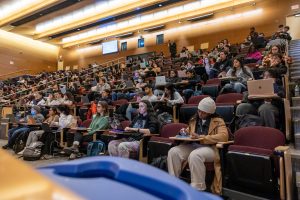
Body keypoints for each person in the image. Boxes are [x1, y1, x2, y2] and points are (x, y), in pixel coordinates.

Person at [167, 97, 228, 194]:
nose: (200, 114)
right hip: (194, 146)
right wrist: (183, 133)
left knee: (195, 155)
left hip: (210, 148)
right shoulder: (194, 119)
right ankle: (174, 184)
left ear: (210, 113)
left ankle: (198, 189)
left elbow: (223, 137)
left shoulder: (218, 121)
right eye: (199, 111)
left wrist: (202, 137)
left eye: (203, 112)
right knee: (174, 151)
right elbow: (189, 132)